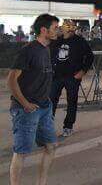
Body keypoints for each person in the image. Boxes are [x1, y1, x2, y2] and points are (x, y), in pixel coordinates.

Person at [8, 14, 59, 185]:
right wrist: (25, 104)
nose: (57, 31)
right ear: (44, 30)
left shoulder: (46, 48)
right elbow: (11, 80)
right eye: (54, 28)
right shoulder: (28, 50)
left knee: (51, 146)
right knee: (21, 152)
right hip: (26, 109)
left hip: (44, 106)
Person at [50, 19, 93, 138]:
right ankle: (47, 126)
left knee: (72, 101)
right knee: (51, 101)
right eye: (65, 28)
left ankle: (68, 126)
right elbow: (50, 53)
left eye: (69, 29)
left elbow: (89, 56)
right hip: (57, 76)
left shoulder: (79, 41)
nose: (67, 31)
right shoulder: (57, 41)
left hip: (72, 77)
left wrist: (83, 71)